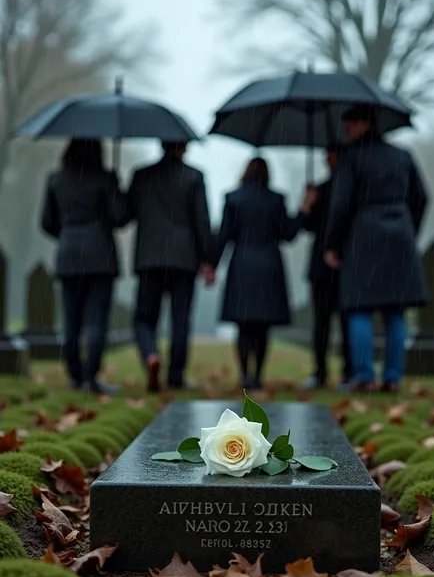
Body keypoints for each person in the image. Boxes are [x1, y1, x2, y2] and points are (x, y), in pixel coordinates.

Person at [324, 105, 429, 392]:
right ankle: (393, 377)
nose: (346, 129)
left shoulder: (351, 158)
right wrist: (410, 229)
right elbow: (421, 197)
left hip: (364, 235)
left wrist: (333, 243)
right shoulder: (402, 156)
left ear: (364, 124)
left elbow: (340, 204)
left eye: (350, 123)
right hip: (400, 234)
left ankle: (364, 376)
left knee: (360, 307)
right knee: (395, 310)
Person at [206, 157, 315, 389]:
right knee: (263, 326)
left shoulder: (233, 199)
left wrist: (211, 265)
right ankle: (258, 375)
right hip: (269, 265)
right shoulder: (276, 200)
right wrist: (305, 208)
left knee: (244, 325)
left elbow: (223, 236)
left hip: (243, 265)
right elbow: (288, 233)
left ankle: (245, 373)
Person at [40, 138, 128, 395]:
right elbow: (120, 217)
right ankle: (91, 377)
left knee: (71, 319)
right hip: (100, 254)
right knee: (96, 320)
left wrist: (68, 234)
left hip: (68, 255)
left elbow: (46, 221)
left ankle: (75, 375)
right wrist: (117, 189)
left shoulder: (56, 179)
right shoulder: (105, 178)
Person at [127, 140, 212, 392]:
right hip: (183, 259)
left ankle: (151, 354)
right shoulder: (194, 177)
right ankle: (176, 375)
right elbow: (202, 221)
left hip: (149, 257)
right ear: (184, 147)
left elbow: (124, 213)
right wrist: (208, 259)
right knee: (180, 319)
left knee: (144, 318)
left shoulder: (141, 176)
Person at [302, 146, 351, 390]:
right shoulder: (320, 190)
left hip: (341, 261)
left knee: (342, 320)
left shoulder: (350, 188)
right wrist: (308, 203)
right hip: (324, 264)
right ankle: (321, 370)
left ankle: (346, 370)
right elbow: (308, 226)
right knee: (323, 321)